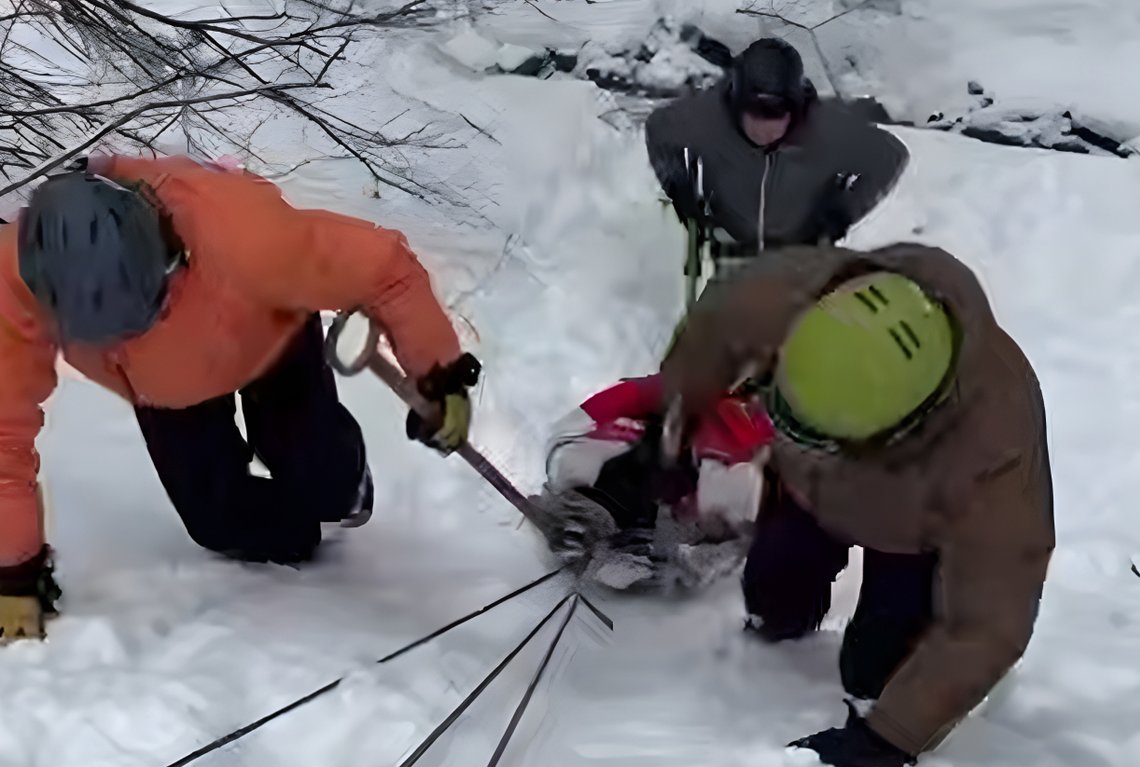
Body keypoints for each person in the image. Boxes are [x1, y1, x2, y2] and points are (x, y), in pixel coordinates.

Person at [0, 155, 480, 643]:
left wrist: (440, 377)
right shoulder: (14, 288)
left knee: (323, 477)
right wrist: (16, 575)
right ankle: (301, 542)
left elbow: (386, 271)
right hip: (168, 391)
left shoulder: (247, 237)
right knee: (220, 522)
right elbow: (3, 439)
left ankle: (342, 489)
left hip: (267, 338)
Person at [657, 241, 1055, 766]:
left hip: (913, 530)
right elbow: (711, 336)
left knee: (879, 678)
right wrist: (670, 437)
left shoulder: (995, 450)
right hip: (805, 491)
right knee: (773, 604)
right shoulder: (791, 292)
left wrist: (886, 739)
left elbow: (987, 626)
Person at [645, 37, 909, 276]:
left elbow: (890, 155)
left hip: (803, 250)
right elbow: (658, 128)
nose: (765, 131)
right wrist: (678, 186)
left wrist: (841, 211)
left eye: (777, 117)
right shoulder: (709, 116)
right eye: (754, 116)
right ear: (737, 105)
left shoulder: (825, 128)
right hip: (732, 243)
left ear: (794, 108)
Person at [529, 373, 773, 591]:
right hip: (628, 502)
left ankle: (627, 550)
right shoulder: (669, 392)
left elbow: (747, 527)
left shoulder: (752, 444)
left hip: (680, 536)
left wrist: (687, 563)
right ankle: (584, 523)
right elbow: (577, 429)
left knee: (732, 483)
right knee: (645, 445)